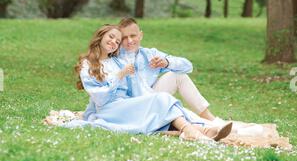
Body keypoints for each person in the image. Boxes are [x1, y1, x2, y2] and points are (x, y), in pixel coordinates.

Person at [65, 24, 232, 142]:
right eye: (112, 37)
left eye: (117, 41)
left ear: (141, 35)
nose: (114, 42)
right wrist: (120, 75)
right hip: (109, 109)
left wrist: (165, 64)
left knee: (160, 100)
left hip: (127, 104)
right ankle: (195, 130)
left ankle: (201, 129)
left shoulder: (122, 62)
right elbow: (100, 98)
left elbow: (137, 89)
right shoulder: (88, 64)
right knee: (160, 101)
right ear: (100, 36)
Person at [117, 17, 225, 126]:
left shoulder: (150, 54)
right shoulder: (115, 58)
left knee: (178, 75)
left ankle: (210, 119)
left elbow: (188, 66)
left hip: (153, 98)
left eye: (133, 36)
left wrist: (167, 62)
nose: (129, 41)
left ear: (140, 35)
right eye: (125, 37)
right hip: (133, 106)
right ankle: (198, 124)